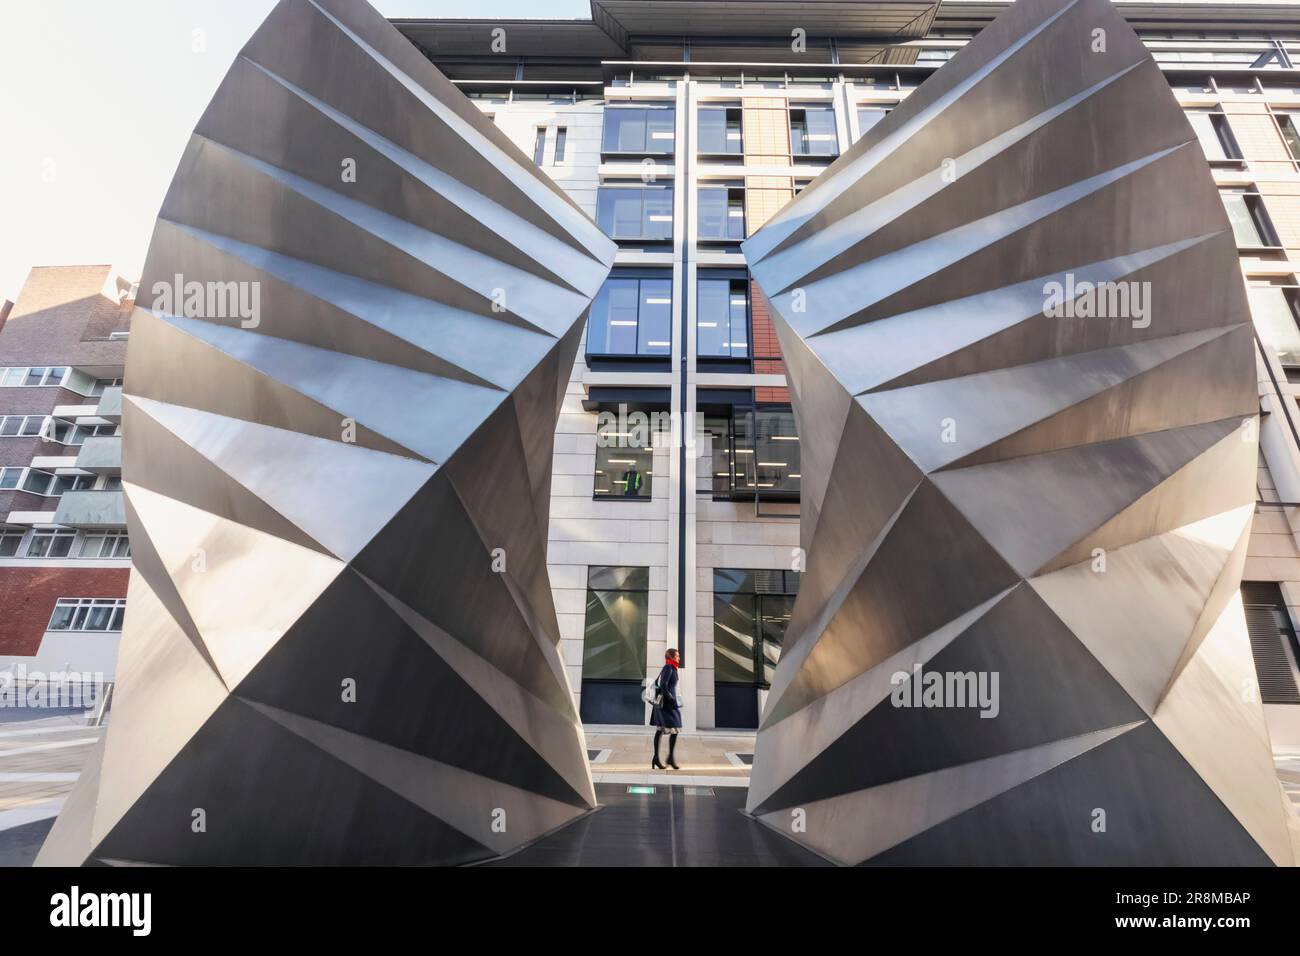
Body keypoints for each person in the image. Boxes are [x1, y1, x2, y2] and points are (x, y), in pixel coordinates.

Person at [650, 648, 683, 770]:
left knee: (662, 729)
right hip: (667, 705)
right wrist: (672, 699)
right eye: (677, 656)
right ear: (672, 657)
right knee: (673, 728)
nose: (679, 658)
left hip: (666, 705)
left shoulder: (672, 667)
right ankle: (665, 758)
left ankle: (659, 758)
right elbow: (663, 684)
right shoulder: (668, 667)